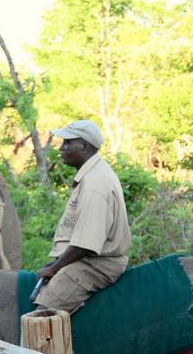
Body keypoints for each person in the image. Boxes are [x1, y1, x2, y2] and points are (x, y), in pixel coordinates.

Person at [34, 120, 131, 313]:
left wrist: (54, 268)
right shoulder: (93, 174)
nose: (62, 148)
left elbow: (85, 244)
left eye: (68, 143)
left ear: (84, 146)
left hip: (97, 265)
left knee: (42, 315)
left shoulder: (95, 183)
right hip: (89, 259)